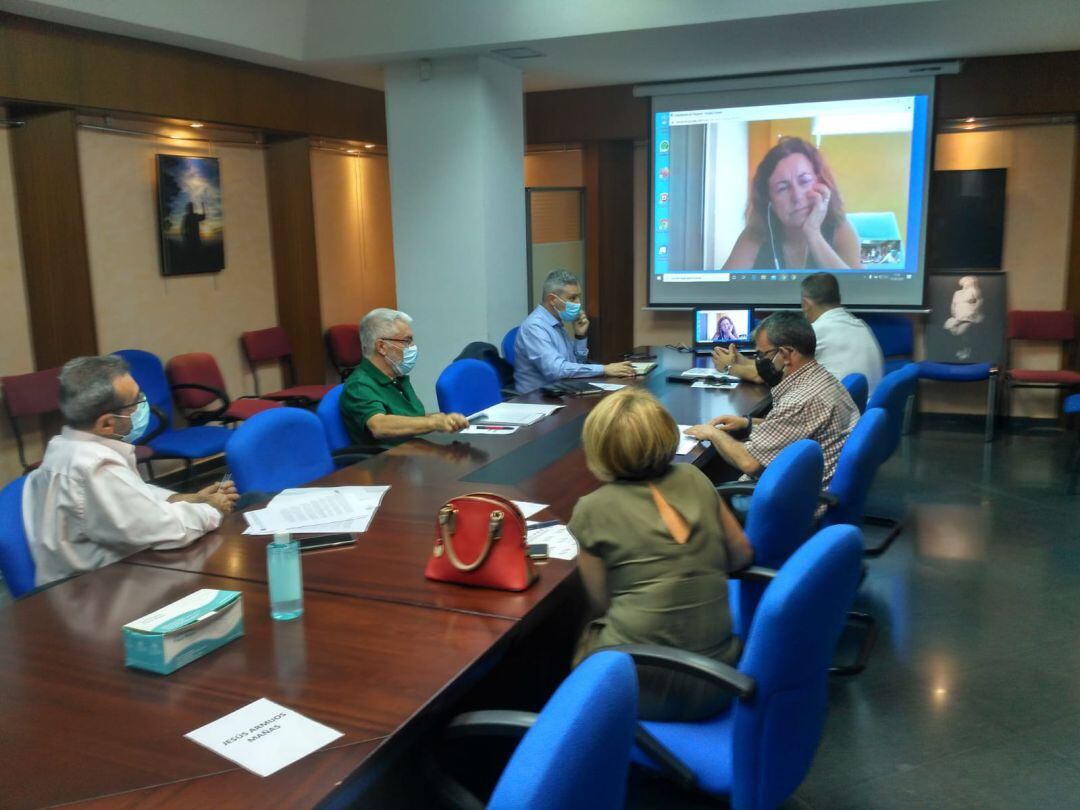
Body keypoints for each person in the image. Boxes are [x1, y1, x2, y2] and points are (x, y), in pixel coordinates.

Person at [570, 388, 753, 721]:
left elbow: (602, 604)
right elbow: (741, 555)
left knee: (576, 642)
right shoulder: (694, 476)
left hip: (651, 683)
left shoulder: (591, 509)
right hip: (724, 671)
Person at [23, 356, 238, 588]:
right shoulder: (94, 468)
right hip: (97, 592)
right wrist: (212, 509)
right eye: (136, 401)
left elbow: (135, 495)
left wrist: (190, 499)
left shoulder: (64, 447)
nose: (143, 406)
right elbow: (166, 531)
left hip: (108, 574)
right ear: (106, 423)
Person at [686, 311, 859, 489]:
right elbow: (796, 426)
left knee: (694, 484)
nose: (758, 361)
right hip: (805, 480)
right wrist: (748, 423)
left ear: (784, 354)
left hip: (791, 501)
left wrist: (712, 433)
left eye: (761, 355)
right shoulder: (820, 378)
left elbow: (750, 463)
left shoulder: (800, 401)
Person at [715, 274, 884, 393]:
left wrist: (728, 368)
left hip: (834, 415)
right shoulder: (860, 325)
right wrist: (741, 360)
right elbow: (776, 365)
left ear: (805, 303)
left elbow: (768, 375)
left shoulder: (816, 332)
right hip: (861, 417)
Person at [722, 136, 862, 272]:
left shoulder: (840, 227)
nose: (797, 196)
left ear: (821, 183)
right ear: (768, 199)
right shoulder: (757, 232)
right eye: (782, 188)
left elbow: (857, 291)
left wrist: (813, 234)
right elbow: (721, 290)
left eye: (805, 181)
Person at [340, 308, 468, 447]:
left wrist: (441, 418)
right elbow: (379, 426)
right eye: (407, 341)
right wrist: (434, 423)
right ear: (381, 346)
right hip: (388, 463)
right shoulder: (359, 385)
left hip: (416, 452)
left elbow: (411, 418)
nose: (412, 347)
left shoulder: (396, 376)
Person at [513, 269, 635, 393]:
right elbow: (557, 370)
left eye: (578, 297)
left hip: (562, 391)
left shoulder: (557, 323)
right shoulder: (534, 327)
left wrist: (580, 336)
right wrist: (604, 369)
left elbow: (574, 364)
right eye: (572, 298)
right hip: (537, 401)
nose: (578, 303)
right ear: (552, 300)